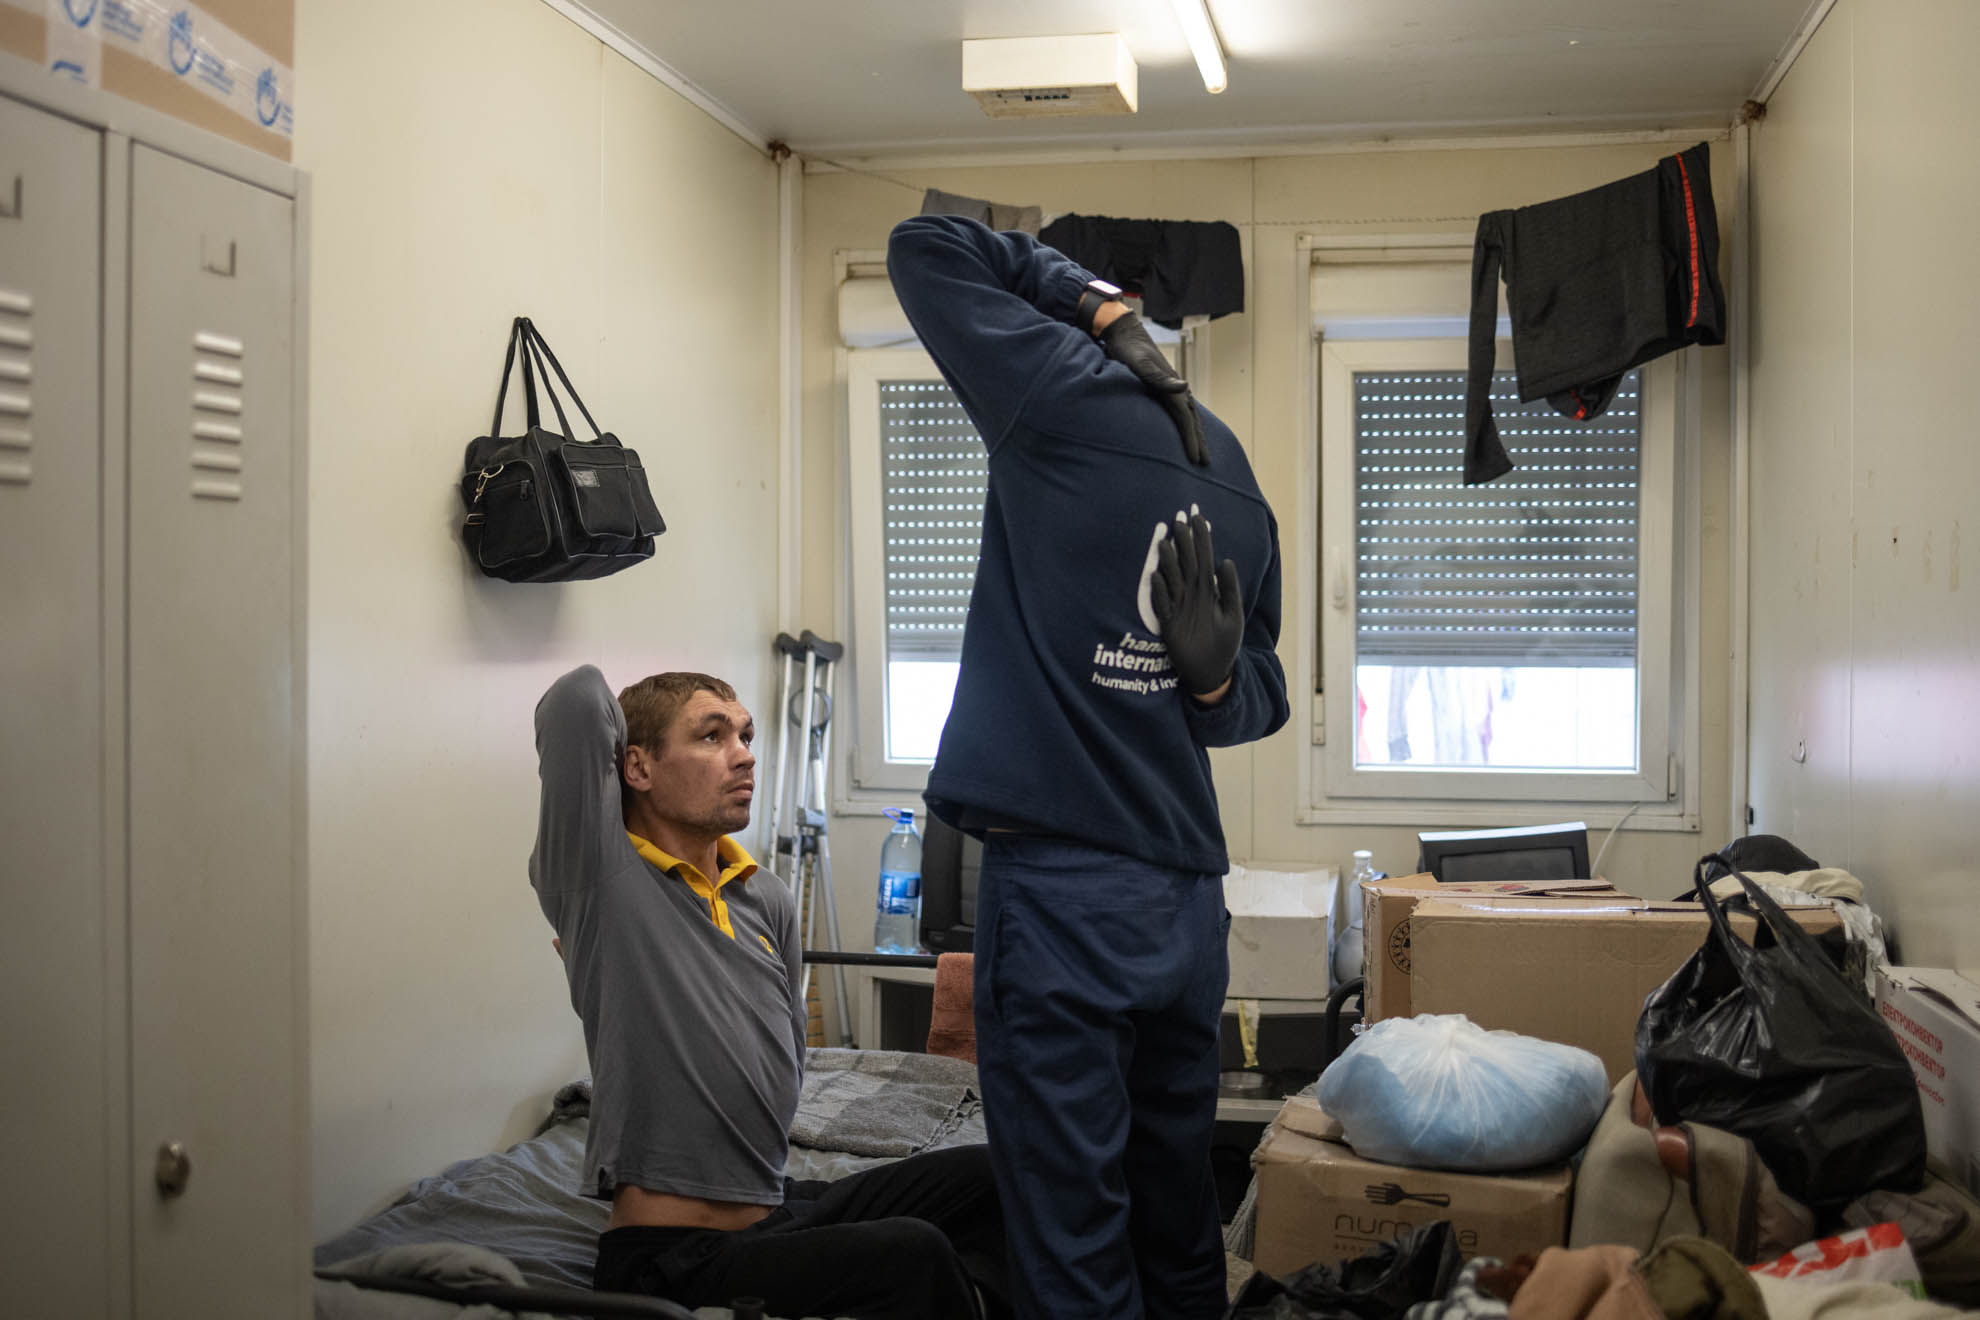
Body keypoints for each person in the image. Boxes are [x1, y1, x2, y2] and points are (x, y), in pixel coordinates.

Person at [887, 213, 1292, 1320]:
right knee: (1175, 1211)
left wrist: (1098, 307)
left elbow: (928, 247)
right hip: (1182, 909)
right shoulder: (1236, 473)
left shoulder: (1058, 390)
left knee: (1070, 1229)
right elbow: (1264, 695)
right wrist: (1209, 683)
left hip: (1066, 895)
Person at [530, 663, 1008, 1319]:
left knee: (998, 1174)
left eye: (746, 736)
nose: (743, 756)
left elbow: (783, 1061)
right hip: (673, 1254)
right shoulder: (603, 880)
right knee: (911, 1249)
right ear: (636, 768)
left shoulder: (767, 901)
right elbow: (576, 701)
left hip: (775, 1207)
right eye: (711, 736)